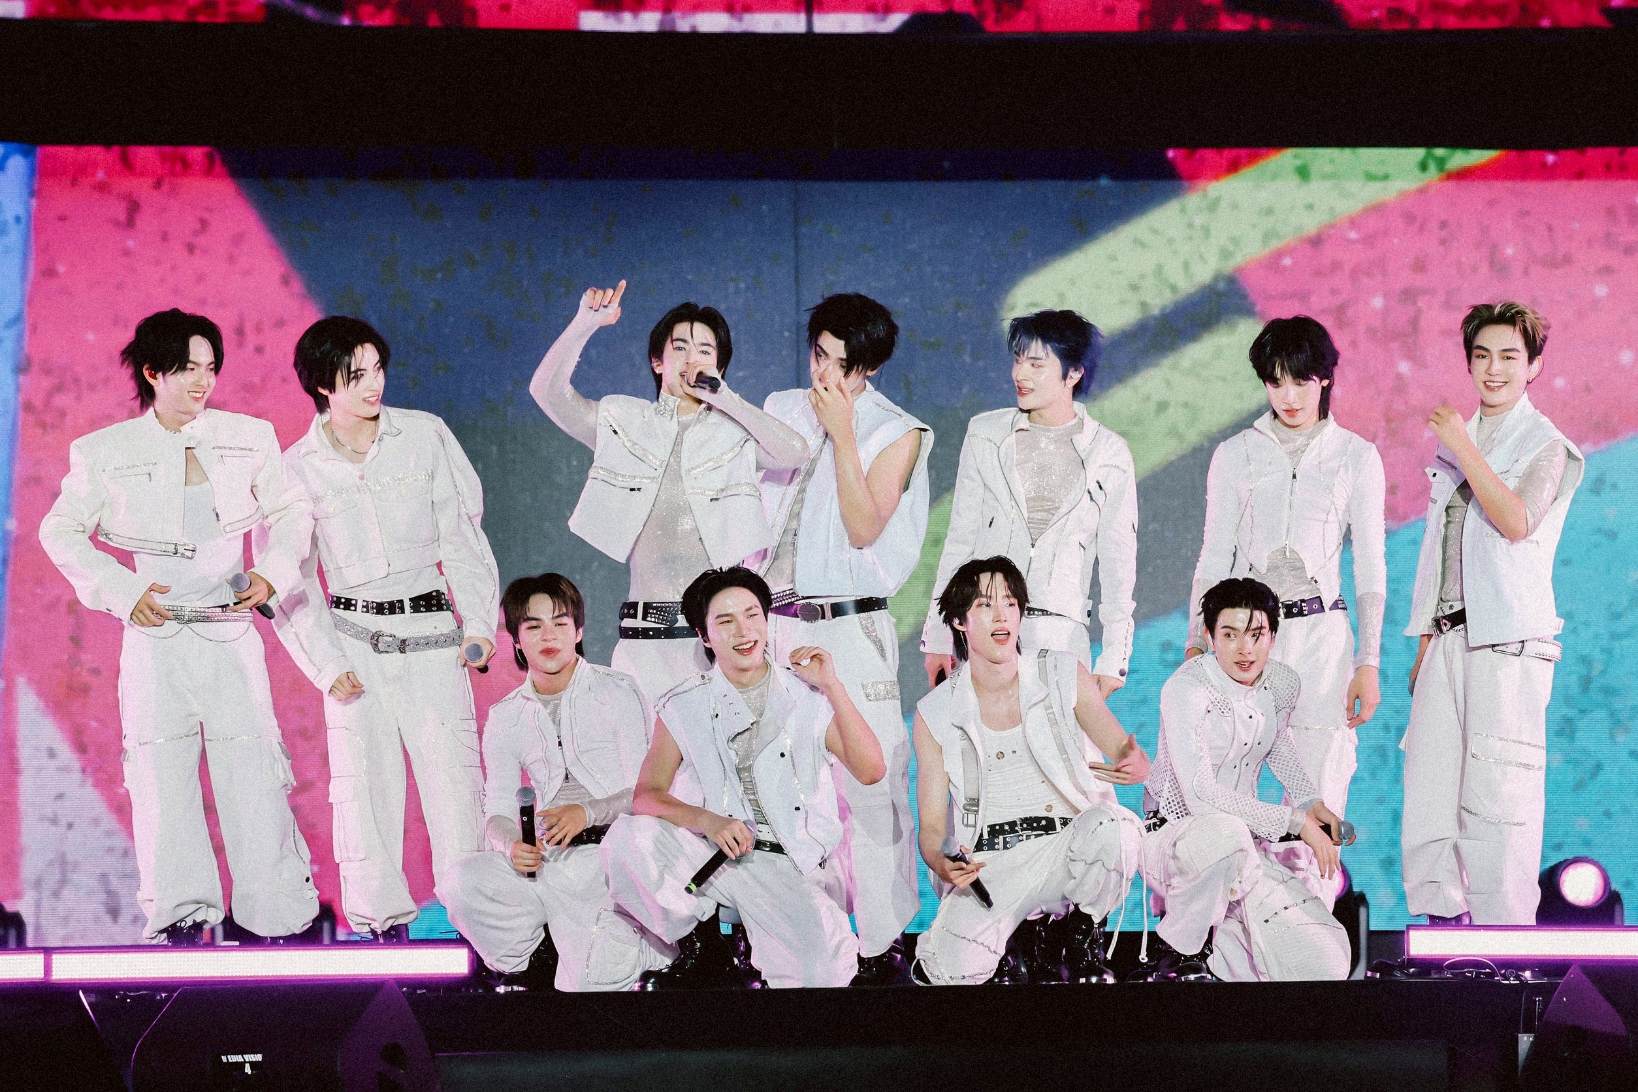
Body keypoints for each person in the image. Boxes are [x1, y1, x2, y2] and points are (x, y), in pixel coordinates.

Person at [39, 308, 319, 943]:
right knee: (160, 778)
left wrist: (272, 573)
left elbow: (292, 510)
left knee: (254, 772)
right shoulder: (105, 450)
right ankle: (181, 918)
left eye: (210, 368)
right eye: (188, 368)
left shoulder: (250, 436)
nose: (202, 381)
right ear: (152, 372)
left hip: (230, 633)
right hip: (155, 641)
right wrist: (122, 591)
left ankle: (276, 919)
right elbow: (60, 530)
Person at [271, 316, 500, 940]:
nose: (374, 384)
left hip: (433, 637)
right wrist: (325, 665)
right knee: (363, 791)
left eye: (377, 369)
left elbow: (463, 538)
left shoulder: (425, 435)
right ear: (324, 384)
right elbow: (290, 579)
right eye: (356, 375)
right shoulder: (295, 469)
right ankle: (380, 930)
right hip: (354, 643)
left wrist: (479, 625)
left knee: (456, 784)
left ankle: (477, 925)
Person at [756, 292, 932, 982]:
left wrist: (845, 434)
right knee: (786, 783)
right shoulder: (781, 407)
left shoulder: (898, 430)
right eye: (819, 355)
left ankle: (884, 944)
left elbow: (863, 528)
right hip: (774, 623)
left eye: (843, 364)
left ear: (871, 368)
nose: (825, 374)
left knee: (873, 782)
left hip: (851, 624)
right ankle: (807, 940)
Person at [601, 566, 885, 989]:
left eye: (752, 615)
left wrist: (832, 686)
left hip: (785, 863)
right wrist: (708, 821)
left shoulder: (806, 695)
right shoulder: (684, 702)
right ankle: (697, 941)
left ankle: (760, 945)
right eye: (726, 621)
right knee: (628, 839)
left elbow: (871, 769)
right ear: (704, 635)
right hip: (713, 856)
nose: (743, 631)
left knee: (822, 977)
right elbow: (647, 794)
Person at [1185, 316, 1386, 907]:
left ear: (1324, 379)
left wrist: (1369, 662)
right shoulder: (1236, 454)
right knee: (1232, 798)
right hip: (1245, 642)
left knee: (1321, 790)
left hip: (1323, 640)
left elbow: (1371, 567)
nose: (1289, 396)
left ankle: (1312, 935)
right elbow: (1214, 555)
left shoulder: (1356, 456)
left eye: (1301, 381)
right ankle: (1233, 940)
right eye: (1275, 383)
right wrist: (1197, 641)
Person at [530, 281, 809, 705]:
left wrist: (726, 398)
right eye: (680, 347)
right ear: (657, 361)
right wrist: (584, 324)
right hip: (643, 640)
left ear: (719, 366)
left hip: (716, 645)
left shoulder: (735, 434)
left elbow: (795, 452)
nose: (692, 358)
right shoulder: (624, 421)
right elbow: (547, 393)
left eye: (705, 350)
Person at [1401, 302, 1584, 925]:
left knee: (1498, 799)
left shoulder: (1546, 445)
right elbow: (1443, 546)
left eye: (1509, 356)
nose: (1494, 369)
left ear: (1534, 366)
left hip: (1509, 644)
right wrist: (1425, 636)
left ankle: (1503, 942)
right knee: (1430, 791)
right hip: (1448, 638)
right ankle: (1443, 935)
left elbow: (1515, 521)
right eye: (1482, 356)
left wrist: (1461, 445)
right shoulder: (1465, 438)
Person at [911, 556, 1146, 986]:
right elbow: (931, 827)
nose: (1002, 615)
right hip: (990, 863)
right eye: (985, 605)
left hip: (1062, 846)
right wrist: (942, 860)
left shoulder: (1060, 670)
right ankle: (1017, 938)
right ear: (960, 621)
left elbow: (1120, 747)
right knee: (945, 970)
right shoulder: (935, 712)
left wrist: (1133, 760)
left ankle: (1077, 934)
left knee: (1117, 827)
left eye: (1010, 602)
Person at [443, 573, 669, 989]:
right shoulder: (507, 714)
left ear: (578, 631)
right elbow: (497, 809)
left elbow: (647, 792)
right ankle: (537, 956)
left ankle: (631, 945)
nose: (548, 636)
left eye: (560, 623)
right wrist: (512, 845)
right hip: (547, 862)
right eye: (534, 626)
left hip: (610, 857)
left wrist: (586, 813)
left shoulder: (617, 690)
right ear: (517, 640)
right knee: (461, 881)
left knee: (589, 985)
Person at [1140, 577, 1352, 982]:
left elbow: (1277, 744)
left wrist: (1311, 802)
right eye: (1230, 634)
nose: (1245, 649)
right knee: (1225, 835)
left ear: (1273, 636)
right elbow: (1201, 796)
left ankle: (1215, 957)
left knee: (1324, 962)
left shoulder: (1282, 682)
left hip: (1245, 849)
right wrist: (1294, 822)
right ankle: (1177, 952)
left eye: (1256, 634)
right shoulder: (1186, 689)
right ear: (1210, 636)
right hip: (1176, 839)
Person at [921, 309, 1137, 695]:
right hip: (985, 631)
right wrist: (937, 637)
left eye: (1036, 364)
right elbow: (960, 539)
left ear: (1073, 373)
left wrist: (1114, 659)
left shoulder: (1109, 453)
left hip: (1061, 637)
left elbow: (1118, 565)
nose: (1020, 374)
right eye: (1018, 360)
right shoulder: (985, 433)